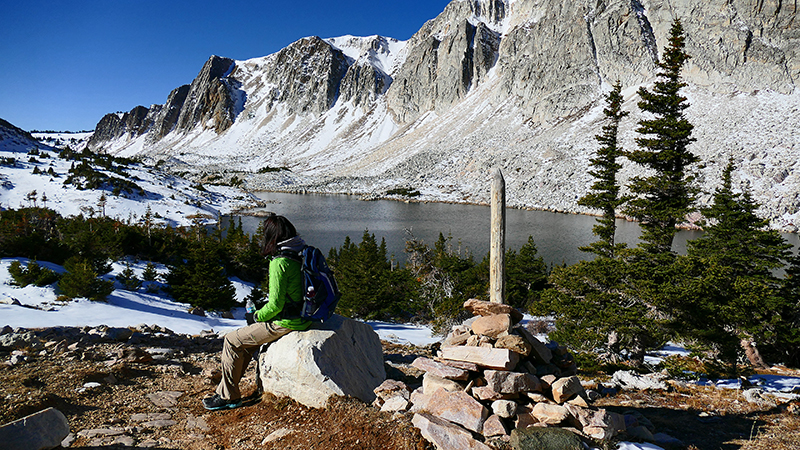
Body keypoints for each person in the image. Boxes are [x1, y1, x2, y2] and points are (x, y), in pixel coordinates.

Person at [202, 215, 312, 410]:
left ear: (271, 237)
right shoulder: (300, 254)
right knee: (245, 343)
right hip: (303, 316)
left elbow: (276, 306)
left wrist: (255, 317)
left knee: (231, 340)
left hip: (286, 321)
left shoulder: (279, 262)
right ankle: (228, 390)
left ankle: (228, 397)